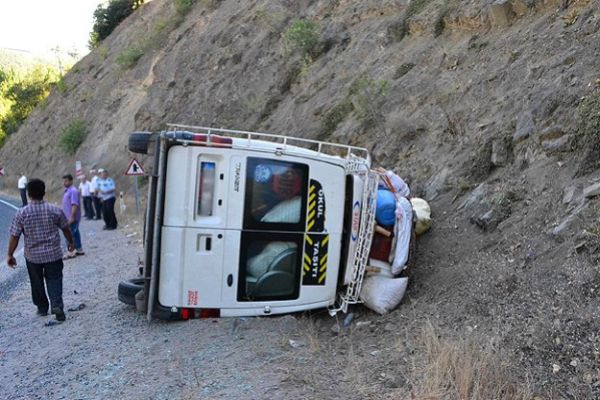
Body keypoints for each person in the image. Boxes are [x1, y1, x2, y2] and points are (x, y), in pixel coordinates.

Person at [6, 178, 74, 321]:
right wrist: (70, 242)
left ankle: (42, 308)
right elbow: (66, 228)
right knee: (54, 278)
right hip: (53, 254)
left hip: (33, 256)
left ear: (28, 194)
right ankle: (56, 305)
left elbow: (14, 236)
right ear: (44, 192)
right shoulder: (55, 210)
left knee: (36, 282)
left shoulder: (22, 213)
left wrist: (10, 255)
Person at [62, 174, 84, 258]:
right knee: (75, 233)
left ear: (71, 181)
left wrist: (71, 217)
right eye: (64, 181)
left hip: (72, 217)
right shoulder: (67, 190)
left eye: (66, 181)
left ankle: (71, 251)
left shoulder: (73, 191)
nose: (64, 182)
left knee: (70, 234)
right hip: (67, 216)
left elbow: (74, 204)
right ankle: (78, 249)